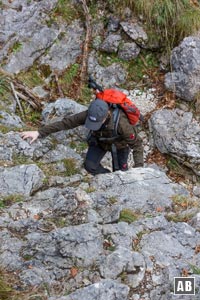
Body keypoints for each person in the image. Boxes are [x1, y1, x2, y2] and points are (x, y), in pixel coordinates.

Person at [20, 99, 144, 175]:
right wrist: (39, 132)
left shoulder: (122, 124)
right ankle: (107, 177)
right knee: (90, 166)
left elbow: (137, 144)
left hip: (120, 146)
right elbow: (66, 123)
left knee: (121, 173)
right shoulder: (89, 114)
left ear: (106, 115)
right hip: (100, 142)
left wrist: (139, 168)